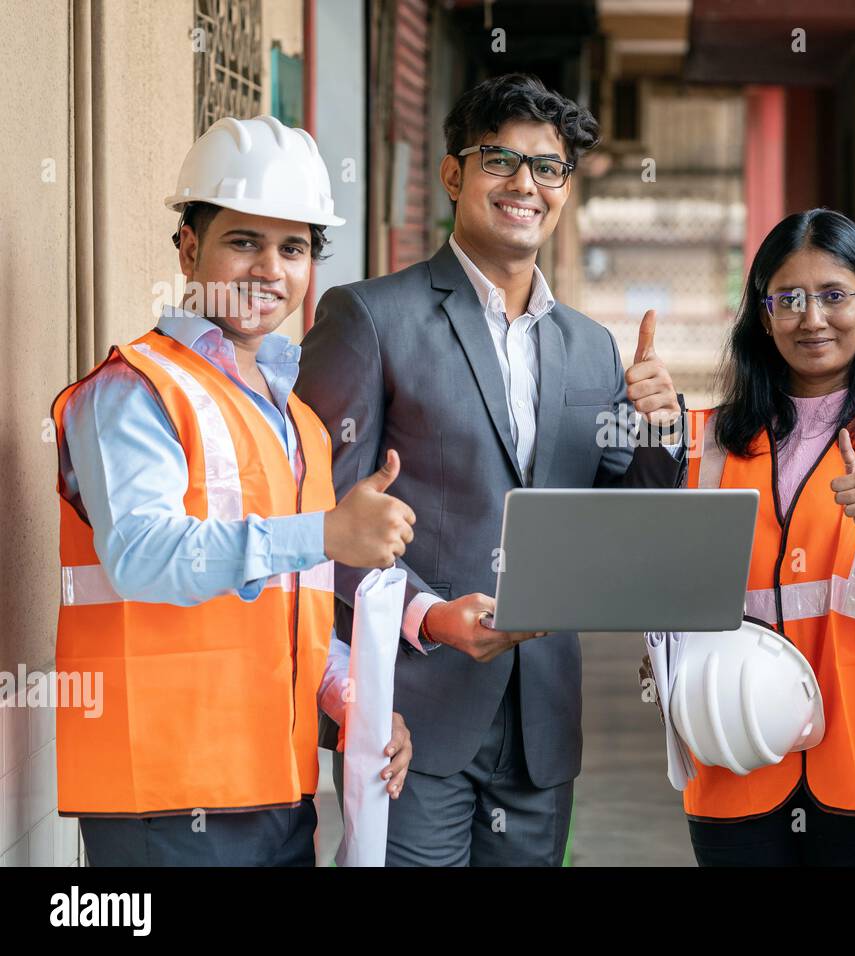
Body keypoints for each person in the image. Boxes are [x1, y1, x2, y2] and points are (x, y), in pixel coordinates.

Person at [297, 73, 686, 867]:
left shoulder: (590, 347)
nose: (525, 185)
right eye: (500, 159)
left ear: (566, 189)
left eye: (547, 168)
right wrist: (431, 617)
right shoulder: (370, 316)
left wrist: (661, 429)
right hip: (413, 706)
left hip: (540, 718)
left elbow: (620, 512)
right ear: (453, 174)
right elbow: (319, 520)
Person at [52, 115, 415, 866]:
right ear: (189, 248)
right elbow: (142, 555)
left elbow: (295, 611)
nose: (269, 270)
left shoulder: (301, 423)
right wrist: (324, 534)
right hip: (163, 794)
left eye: (293, 249)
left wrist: (357, 702)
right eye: (243, 241)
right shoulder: (133, 390)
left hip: (278, 790)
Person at [660, 208, 855, 866]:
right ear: (763, 312)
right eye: (790, 299)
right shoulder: (705, 440)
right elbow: (671, 593)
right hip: (731, 740)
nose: (812, 318)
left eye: (834, 295)